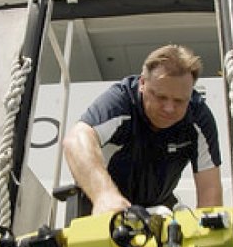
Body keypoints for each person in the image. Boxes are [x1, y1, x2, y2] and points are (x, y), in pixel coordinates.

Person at [63, 44, 223, 215]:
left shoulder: (198, 118)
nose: (169, 108)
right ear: (142, 83)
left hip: (160, 209)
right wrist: (104, 196)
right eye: (161, 97)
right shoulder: (121, 101)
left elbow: (209, 193)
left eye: (179, 101)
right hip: (102, 205)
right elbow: (76, 140)